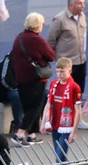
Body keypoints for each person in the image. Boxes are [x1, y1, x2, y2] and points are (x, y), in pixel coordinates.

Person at [10, 13, 56, 145]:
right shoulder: (37, 40)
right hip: (35, 79)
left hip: (20, 78)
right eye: (41, 23)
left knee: (28, 106)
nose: (42, 26)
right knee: (35, 107)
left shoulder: (19, 38)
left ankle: (31, 134)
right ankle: (19, 134)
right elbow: (51, 56)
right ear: (37, 25)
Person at [41, 57, 82, 162]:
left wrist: (74, 131)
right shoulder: (53, 84)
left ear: (70, 71)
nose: (59, 74)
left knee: (59, 157)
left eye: (62, 72)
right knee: (60, 157)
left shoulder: (75, 87)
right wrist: (43, 123)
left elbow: (78, 111)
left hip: (66, 127)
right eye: (58, 71)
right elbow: (48, 104)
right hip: (54, 124)